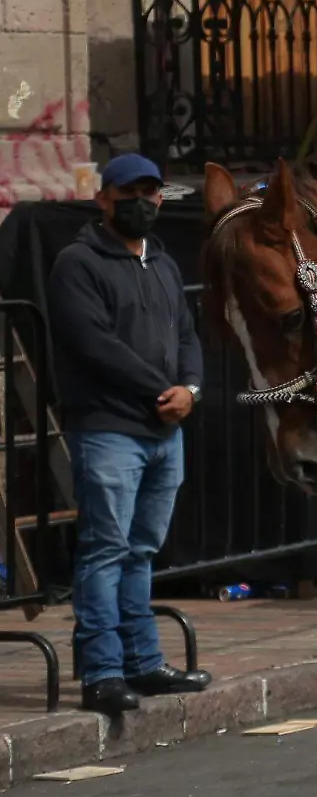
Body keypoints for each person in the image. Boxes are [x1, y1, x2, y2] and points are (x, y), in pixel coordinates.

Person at [48, 154, 211, 715]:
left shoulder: (162, 263)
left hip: (165, 433)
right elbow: (93, 345)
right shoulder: (78, 264)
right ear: (104, 198)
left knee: (141, 550)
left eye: (151, 192)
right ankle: (102, 672)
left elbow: (188, 334)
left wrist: (190, 387)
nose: (143, 202)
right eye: (130, 192)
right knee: (105, 550)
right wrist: (160, 391)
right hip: (109, 429)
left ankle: (143, 663)